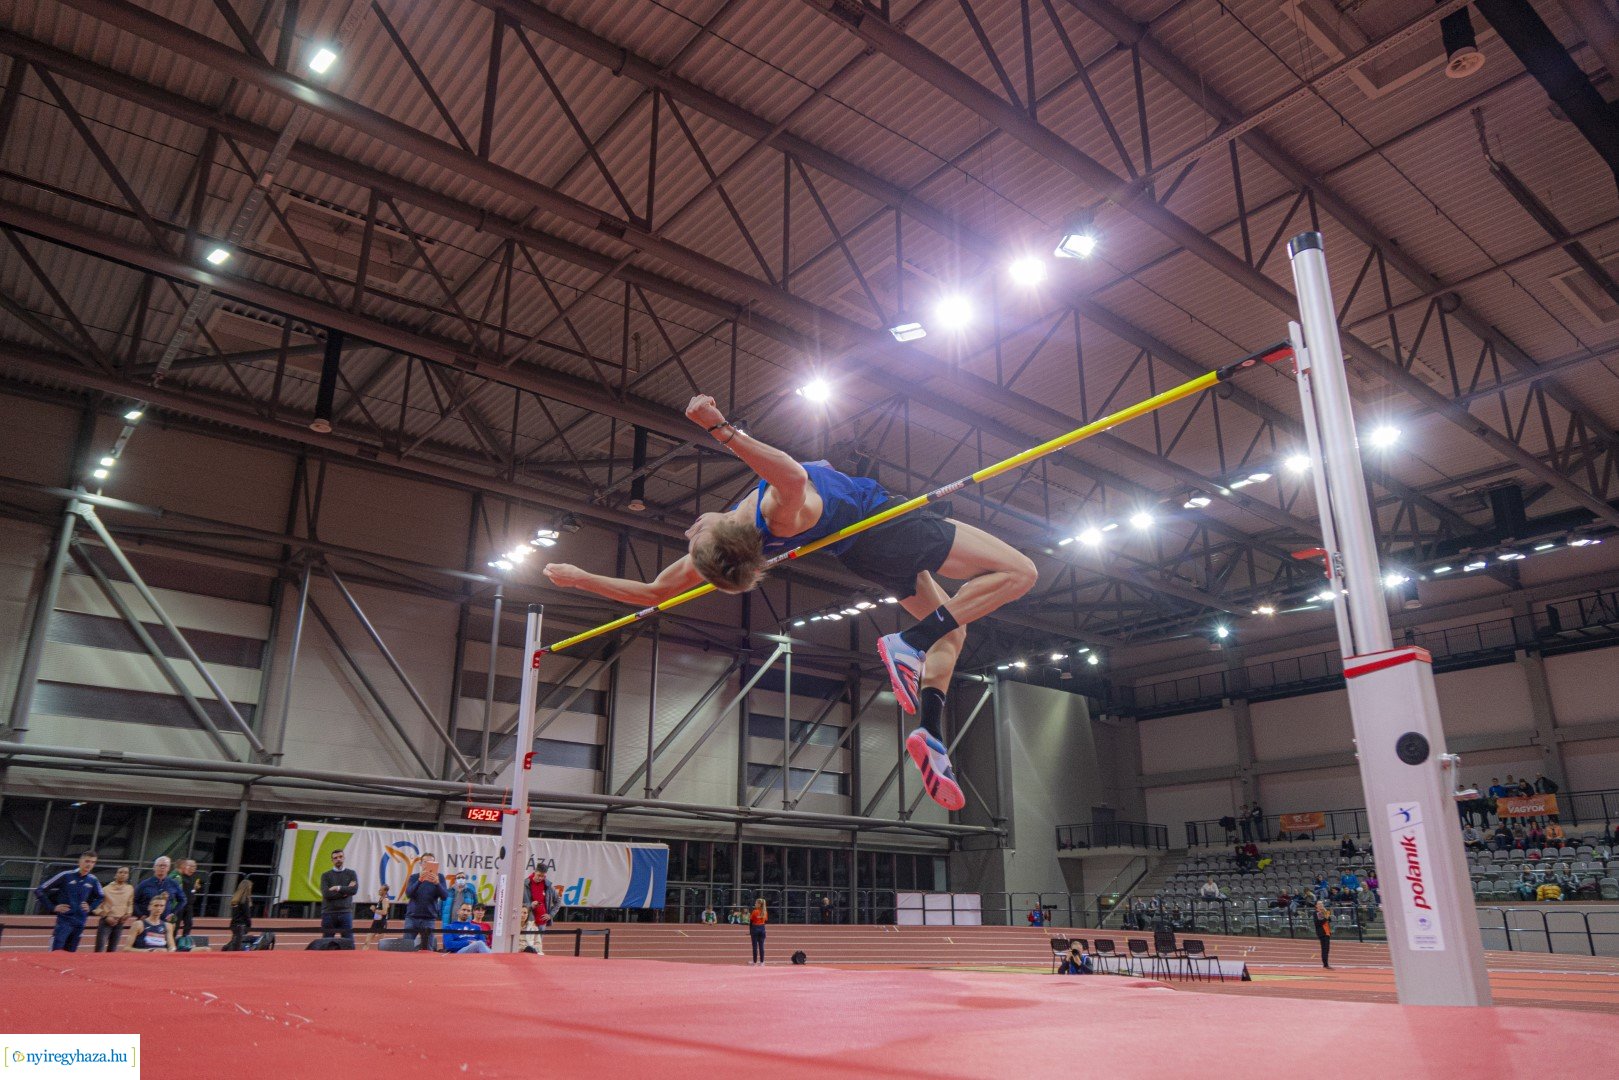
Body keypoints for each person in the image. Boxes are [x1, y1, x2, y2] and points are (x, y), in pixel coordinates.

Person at [540, 394, 1040, 813]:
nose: (690, 529)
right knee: (1019, 572)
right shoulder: (773, 515)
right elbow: (794, 477)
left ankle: (930, 735)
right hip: (889, 527)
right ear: (720, 535)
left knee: (956, 630)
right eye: (694, 537)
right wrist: (719, 429)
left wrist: (582, 578)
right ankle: (911, 641)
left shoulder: (738, 540)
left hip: (865, 555)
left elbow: (653, 594)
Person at [36, 851, 102, 953]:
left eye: (93, 862)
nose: (89, 864)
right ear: (80, 861)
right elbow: (39, 890)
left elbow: (101, 896)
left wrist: (91, 907)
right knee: (56, 952)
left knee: (71, 954)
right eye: (87, 861)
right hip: (64, 921)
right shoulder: (66, 875)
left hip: (80, 922)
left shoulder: (93, 880)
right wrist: (52, 907)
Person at [402, 854, 448, 951]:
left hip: (429, 919)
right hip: (412, 917)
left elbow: (444, 896)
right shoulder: (414, 877)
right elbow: (408, 894)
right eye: (425, 862)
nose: (427, 864)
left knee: (428, 949)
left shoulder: (439, 877)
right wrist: (419, 881)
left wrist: (437, 883)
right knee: (406, 948)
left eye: (431, 862)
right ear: (421, 864)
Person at [133, 856, 187, 929]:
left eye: (165, 866)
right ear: (154, 867)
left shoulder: (173, 884)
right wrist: (140, 915)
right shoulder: (144, 884)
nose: (162, 868)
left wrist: (173, 913)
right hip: (146, 923)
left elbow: (183, 900)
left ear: (168, 868)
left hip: (165, 923)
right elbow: (134, 901)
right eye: (160, 865)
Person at [319, 848, 359, 942]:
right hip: (329, 913)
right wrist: (345, 892)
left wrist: (338, 888)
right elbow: (326, 894)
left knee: (348, 943)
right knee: (326, 943)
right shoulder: (325, 875)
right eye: (335, 858)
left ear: (344, 858)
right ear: (332, 860)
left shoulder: (351, 873)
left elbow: (354, 890)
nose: (338, 859)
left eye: (340, 857)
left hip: (345, 912)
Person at [94, 866, 134, 953]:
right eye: (120, 872)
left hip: (120, 922)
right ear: (115, 875)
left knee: (113, 950)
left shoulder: (130, 889)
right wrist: (106, 916)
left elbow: (130, 904)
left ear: (128, 876)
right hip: (106, 922)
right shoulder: (105, 889)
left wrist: (128, 914)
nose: (123, 874)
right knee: (99, 949)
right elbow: (96, 907)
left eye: (125, 873)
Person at [175, 859, 205, 942]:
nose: (193, 868)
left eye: (194, 866)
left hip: (189, 905)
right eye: (191, 866)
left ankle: (185, 940)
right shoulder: (179, 877)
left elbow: (191, 891)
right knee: (176, 924)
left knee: (189, 923)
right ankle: (172, 940)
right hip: (180, 905)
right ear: (185, 866)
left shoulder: (193, 878)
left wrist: (195, 889)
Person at [226, 878, 254, 951]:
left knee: (234, 941)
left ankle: (228, 949)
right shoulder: (244, 900)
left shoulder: (236, 898)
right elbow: (247, 914)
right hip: (241, 924)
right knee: (238, 944)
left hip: (234, 923)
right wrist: (249, 924)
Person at [364, 885, 392, 950]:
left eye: (380, 890)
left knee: (381, 945)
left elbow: (384, 912)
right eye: (379, 889)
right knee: (367, 941)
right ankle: (363, 955)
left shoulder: (385, 900)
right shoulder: (380, 899)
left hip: (381, 923)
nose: (379, 891)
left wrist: (374, 910)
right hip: (376, 922)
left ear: (385, 891)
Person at [1313, 900, 1333, 969]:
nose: (1321, 905)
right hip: (1322, 932)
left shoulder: (1323, 912)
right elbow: (1320, 922)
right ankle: (1325, 964)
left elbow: (1329, 920)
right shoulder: (1316, 913)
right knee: (1324, 948)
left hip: (1327, 932)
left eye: (1322, 904)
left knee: (1327, 949)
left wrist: (1325, 912)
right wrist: (1326, 918)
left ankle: (1326, 963)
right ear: (1316, 905)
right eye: (1320, 904)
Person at [748, 897, 768, 965]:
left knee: (754, 946)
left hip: (755, 928)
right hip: (762, 928)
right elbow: (765, 921)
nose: (755, 904)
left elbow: (751, 922)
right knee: (761, 946)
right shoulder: (765, 912)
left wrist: (750, 931)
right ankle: (762, 962)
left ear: (759, 904)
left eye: (756, 903)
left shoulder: (755, 911)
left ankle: (754, 961)